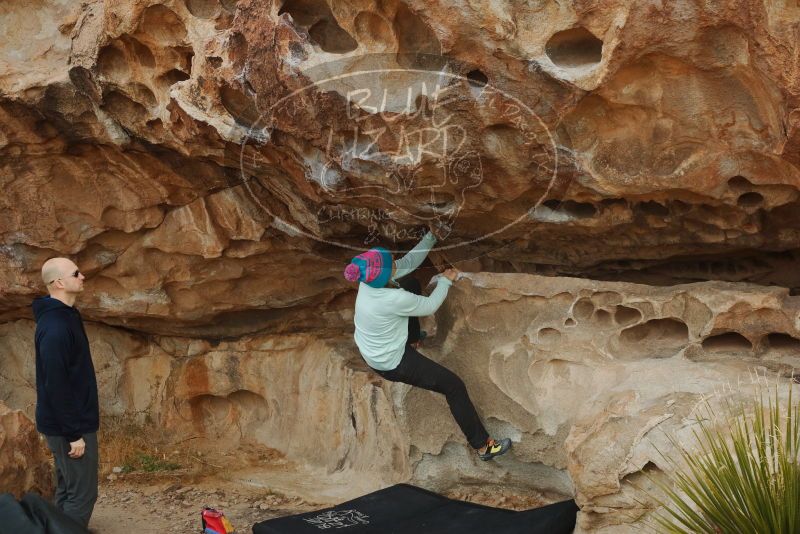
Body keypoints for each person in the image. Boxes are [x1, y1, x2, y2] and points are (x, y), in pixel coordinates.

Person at [343, 228, 512, 461]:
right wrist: (445, 281)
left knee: (410, 282)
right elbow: (430, 305)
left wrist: (431, 236)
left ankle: (413, 339)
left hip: (371, 348)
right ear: (383, 273)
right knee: (453, 386)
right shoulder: (392, 299)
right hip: (392, 363)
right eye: (391, 263)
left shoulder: (369, 281)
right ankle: (484, 446)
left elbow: (407, 263)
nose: (395, 263)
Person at [32, 257, 99, 528]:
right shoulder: (56, 328)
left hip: (67, 422)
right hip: (69, 426)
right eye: (76, 273)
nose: (82, 276)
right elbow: (56, 384)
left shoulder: (66, 316)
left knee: (67, 489)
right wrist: (74, 434)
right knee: (81, 496)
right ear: (59, 283)